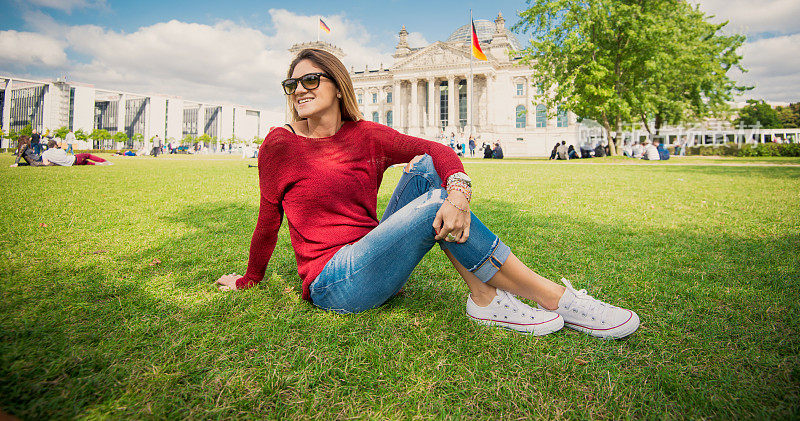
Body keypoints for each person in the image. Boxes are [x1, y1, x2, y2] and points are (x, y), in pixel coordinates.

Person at [216, 48, 639, 339]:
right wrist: (250, 278)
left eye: (310, 79)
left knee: (428, 170)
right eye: (292, 84)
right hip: (334, 282)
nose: (300, 90)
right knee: (436, 203)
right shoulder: (280, 144)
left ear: (338, 86)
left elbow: (437, 150)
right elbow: (266, 222)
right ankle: (555, 298)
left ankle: (486, 297)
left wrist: (459, 190)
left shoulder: (366, 135)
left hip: (372, 252)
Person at [41, 140, 112, 166]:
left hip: (73, 163)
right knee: (88, 155)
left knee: (86, 162)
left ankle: (100, 164)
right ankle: (104, 161)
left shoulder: (45, 153)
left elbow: (46, 163)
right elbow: (64, 155)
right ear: (55, 145)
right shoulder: (60, 150)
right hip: (74, 159)